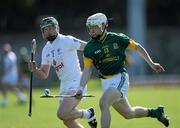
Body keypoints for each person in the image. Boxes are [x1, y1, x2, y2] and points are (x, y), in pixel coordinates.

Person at [76, 13, 169, 128]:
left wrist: (151, 63)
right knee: (129, 113)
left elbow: (137, 47)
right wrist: (80, 88)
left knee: (103, 103)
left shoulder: (118, 38)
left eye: (95, 27)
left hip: (120, 77)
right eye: (90, 27)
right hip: (105, 83)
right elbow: (87, 70)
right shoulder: (89, 48)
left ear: (104, 25)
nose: (92, 30)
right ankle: (156, 112)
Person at [29, 17, 97, 128]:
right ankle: (88, 114)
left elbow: (88, 47)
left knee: (61, 114)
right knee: (67, 120)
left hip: (76, 82)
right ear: (42, 32)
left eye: (52, 28)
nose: (49, 31)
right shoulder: (46, 50)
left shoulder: (66, 40)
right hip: (64, 85)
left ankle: (88, 113)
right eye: (45, 29)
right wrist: (35, 69)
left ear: (58, 28)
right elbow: (44, 74)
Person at [1, 43, 26, 107]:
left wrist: (4, 73)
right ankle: (22, 97)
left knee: (6, 86)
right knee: (9, 87)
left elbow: (10, 66)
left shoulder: (11, 55)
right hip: (9, 74)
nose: (5, 50)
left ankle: (5, 101)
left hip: (11, 74)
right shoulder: (6, 56)